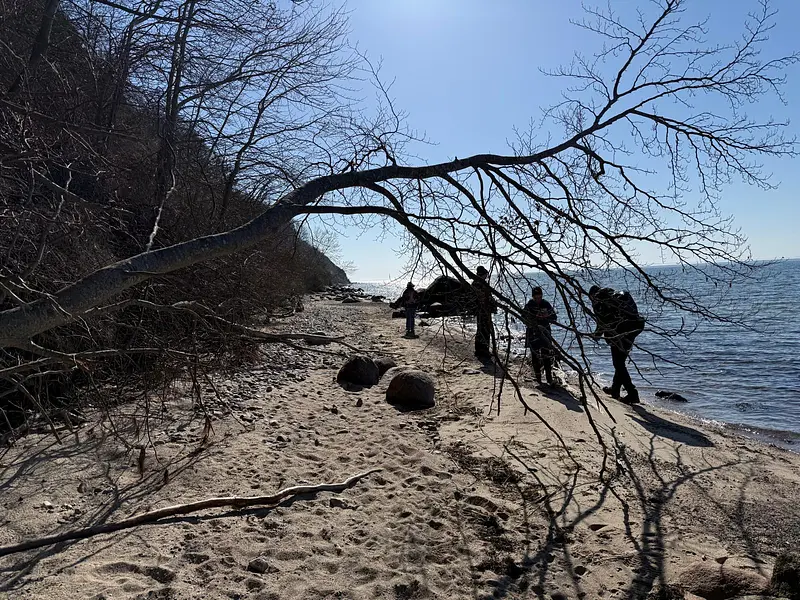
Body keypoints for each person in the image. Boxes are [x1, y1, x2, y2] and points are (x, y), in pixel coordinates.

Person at [589, 285, 646, 404]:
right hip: (634, 328)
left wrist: (596, 335)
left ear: (593, 296)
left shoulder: (599, 302)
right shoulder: (617, 295)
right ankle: (615, 389)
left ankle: (632, 393)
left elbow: (602, 322)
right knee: (620, 362)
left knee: (618, 363)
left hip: (619, 333)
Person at [523, 286, 557, 385]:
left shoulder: (546, 304)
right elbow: (523, 318)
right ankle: (538, 378)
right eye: (536, 297)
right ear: (533, 297)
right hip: (533, 333)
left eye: (539, 297)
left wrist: (547, 316)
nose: (538, 299)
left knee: (546, 355)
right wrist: (533, 318)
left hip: (545, 332)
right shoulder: (529, 305)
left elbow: (554, 317)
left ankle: (549, 378)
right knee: (535, 355)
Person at [472, 266, 496, 361]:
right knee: (484, 330)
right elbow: (486, 298)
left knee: (482, 330)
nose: (486, 277)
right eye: (485, 275)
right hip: (483, 311)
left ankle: (480, 350)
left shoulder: (476, 283)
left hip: (482, 310)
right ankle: (483, 350)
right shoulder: (479, 284)